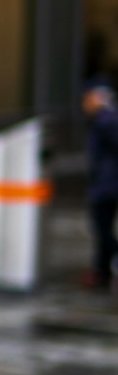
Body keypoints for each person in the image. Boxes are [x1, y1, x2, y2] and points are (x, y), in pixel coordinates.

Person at [82, 77, 118, 290]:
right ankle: (101, 271)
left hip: (107, 185)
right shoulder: (103, 120)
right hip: (106, 183)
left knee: (102, 229)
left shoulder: (106, 121)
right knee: (101, 229)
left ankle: (103, 269)